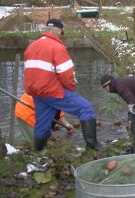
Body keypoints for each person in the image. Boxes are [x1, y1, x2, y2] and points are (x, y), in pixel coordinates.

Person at [23, 18, 101, 151]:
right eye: (61, 33)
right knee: (85, 108)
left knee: (42, 124)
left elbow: (31, 71)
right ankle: (93, 147)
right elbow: (66, 74)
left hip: (36, 92)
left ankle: (39, 152)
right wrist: (70, 89)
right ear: (59, 31)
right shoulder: (57, 47)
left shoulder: (31, 46)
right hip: (51, 91)